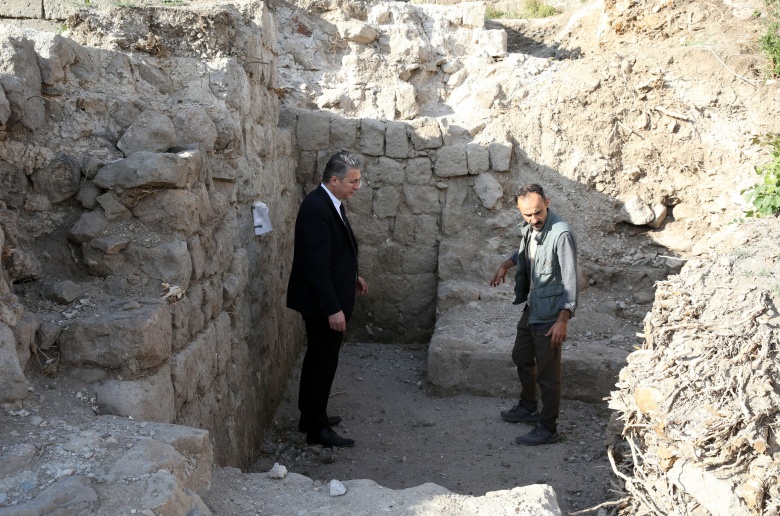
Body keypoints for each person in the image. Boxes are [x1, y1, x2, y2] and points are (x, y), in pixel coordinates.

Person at [286, 151, 369, 448]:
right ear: (334, 180)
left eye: (358, 180)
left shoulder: (330, 201)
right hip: (322, 305)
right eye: (353, 181)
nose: (357, 186)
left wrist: (352, 276)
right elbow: (317, 266)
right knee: (322, 363)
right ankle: (317, 430)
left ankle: (310, 416)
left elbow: (336, 251)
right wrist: (333, 309)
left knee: (318, 360)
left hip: (328, 297)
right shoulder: (316, 208)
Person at [489, 184, 578, 446]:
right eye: (527, 215)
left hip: (551, 314)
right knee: (521, 355)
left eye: (538, 213)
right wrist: (506, 264)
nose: (534, 219)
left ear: (547, 203)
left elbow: (571, 279)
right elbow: (527, 250)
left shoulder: (561, 234)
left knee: (548, 375)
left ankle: (548, 428)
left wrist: (563, 319)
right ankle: (528, 407)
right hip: (533, 307)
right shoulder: (531, 228)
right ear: (520, 210)